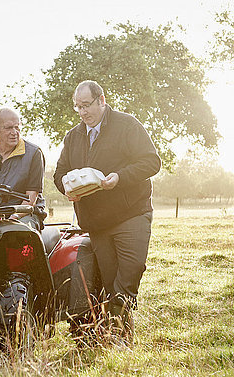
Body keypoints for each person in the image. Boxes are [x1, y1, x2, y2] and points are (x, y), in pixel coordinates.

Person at [53, 80, 161, 343]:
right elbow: (59, 173)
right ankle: (120, 338)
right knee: (111, 281)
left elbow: (151, 162)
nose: (82, 112)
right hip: (97, 222)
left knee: (131, 269)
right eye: (77, 107)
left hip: (131, 214)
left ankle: (117, 327)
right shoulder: (73, 136)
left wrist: (119, 177)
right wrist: (66, 188)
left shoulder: (127, 125)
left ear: (101, 100)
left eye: (86, 105)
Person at [0, 107, 46, 230]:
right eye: (8, 128)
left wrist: (13, 217)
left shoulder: (34, 153)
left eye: (17, 127)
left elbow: (31, 199)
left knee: (16, 232)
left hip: (24, 214)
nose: (14, 132)